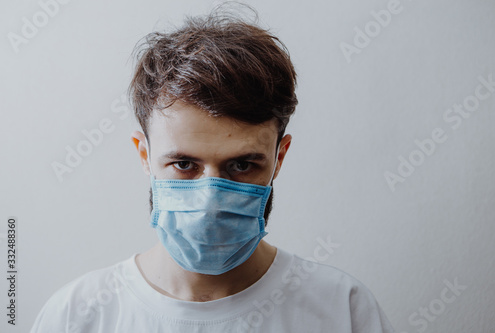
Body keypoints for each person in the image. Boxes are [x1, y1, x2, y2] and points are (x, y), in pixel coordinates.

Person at [31, 3, 395, 332]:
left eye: (241, 165)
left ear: (279, 157)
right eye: (184, 164)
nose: (210, 200)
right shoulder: (76, 317)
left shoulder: (343, 312)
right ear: (144, 155)